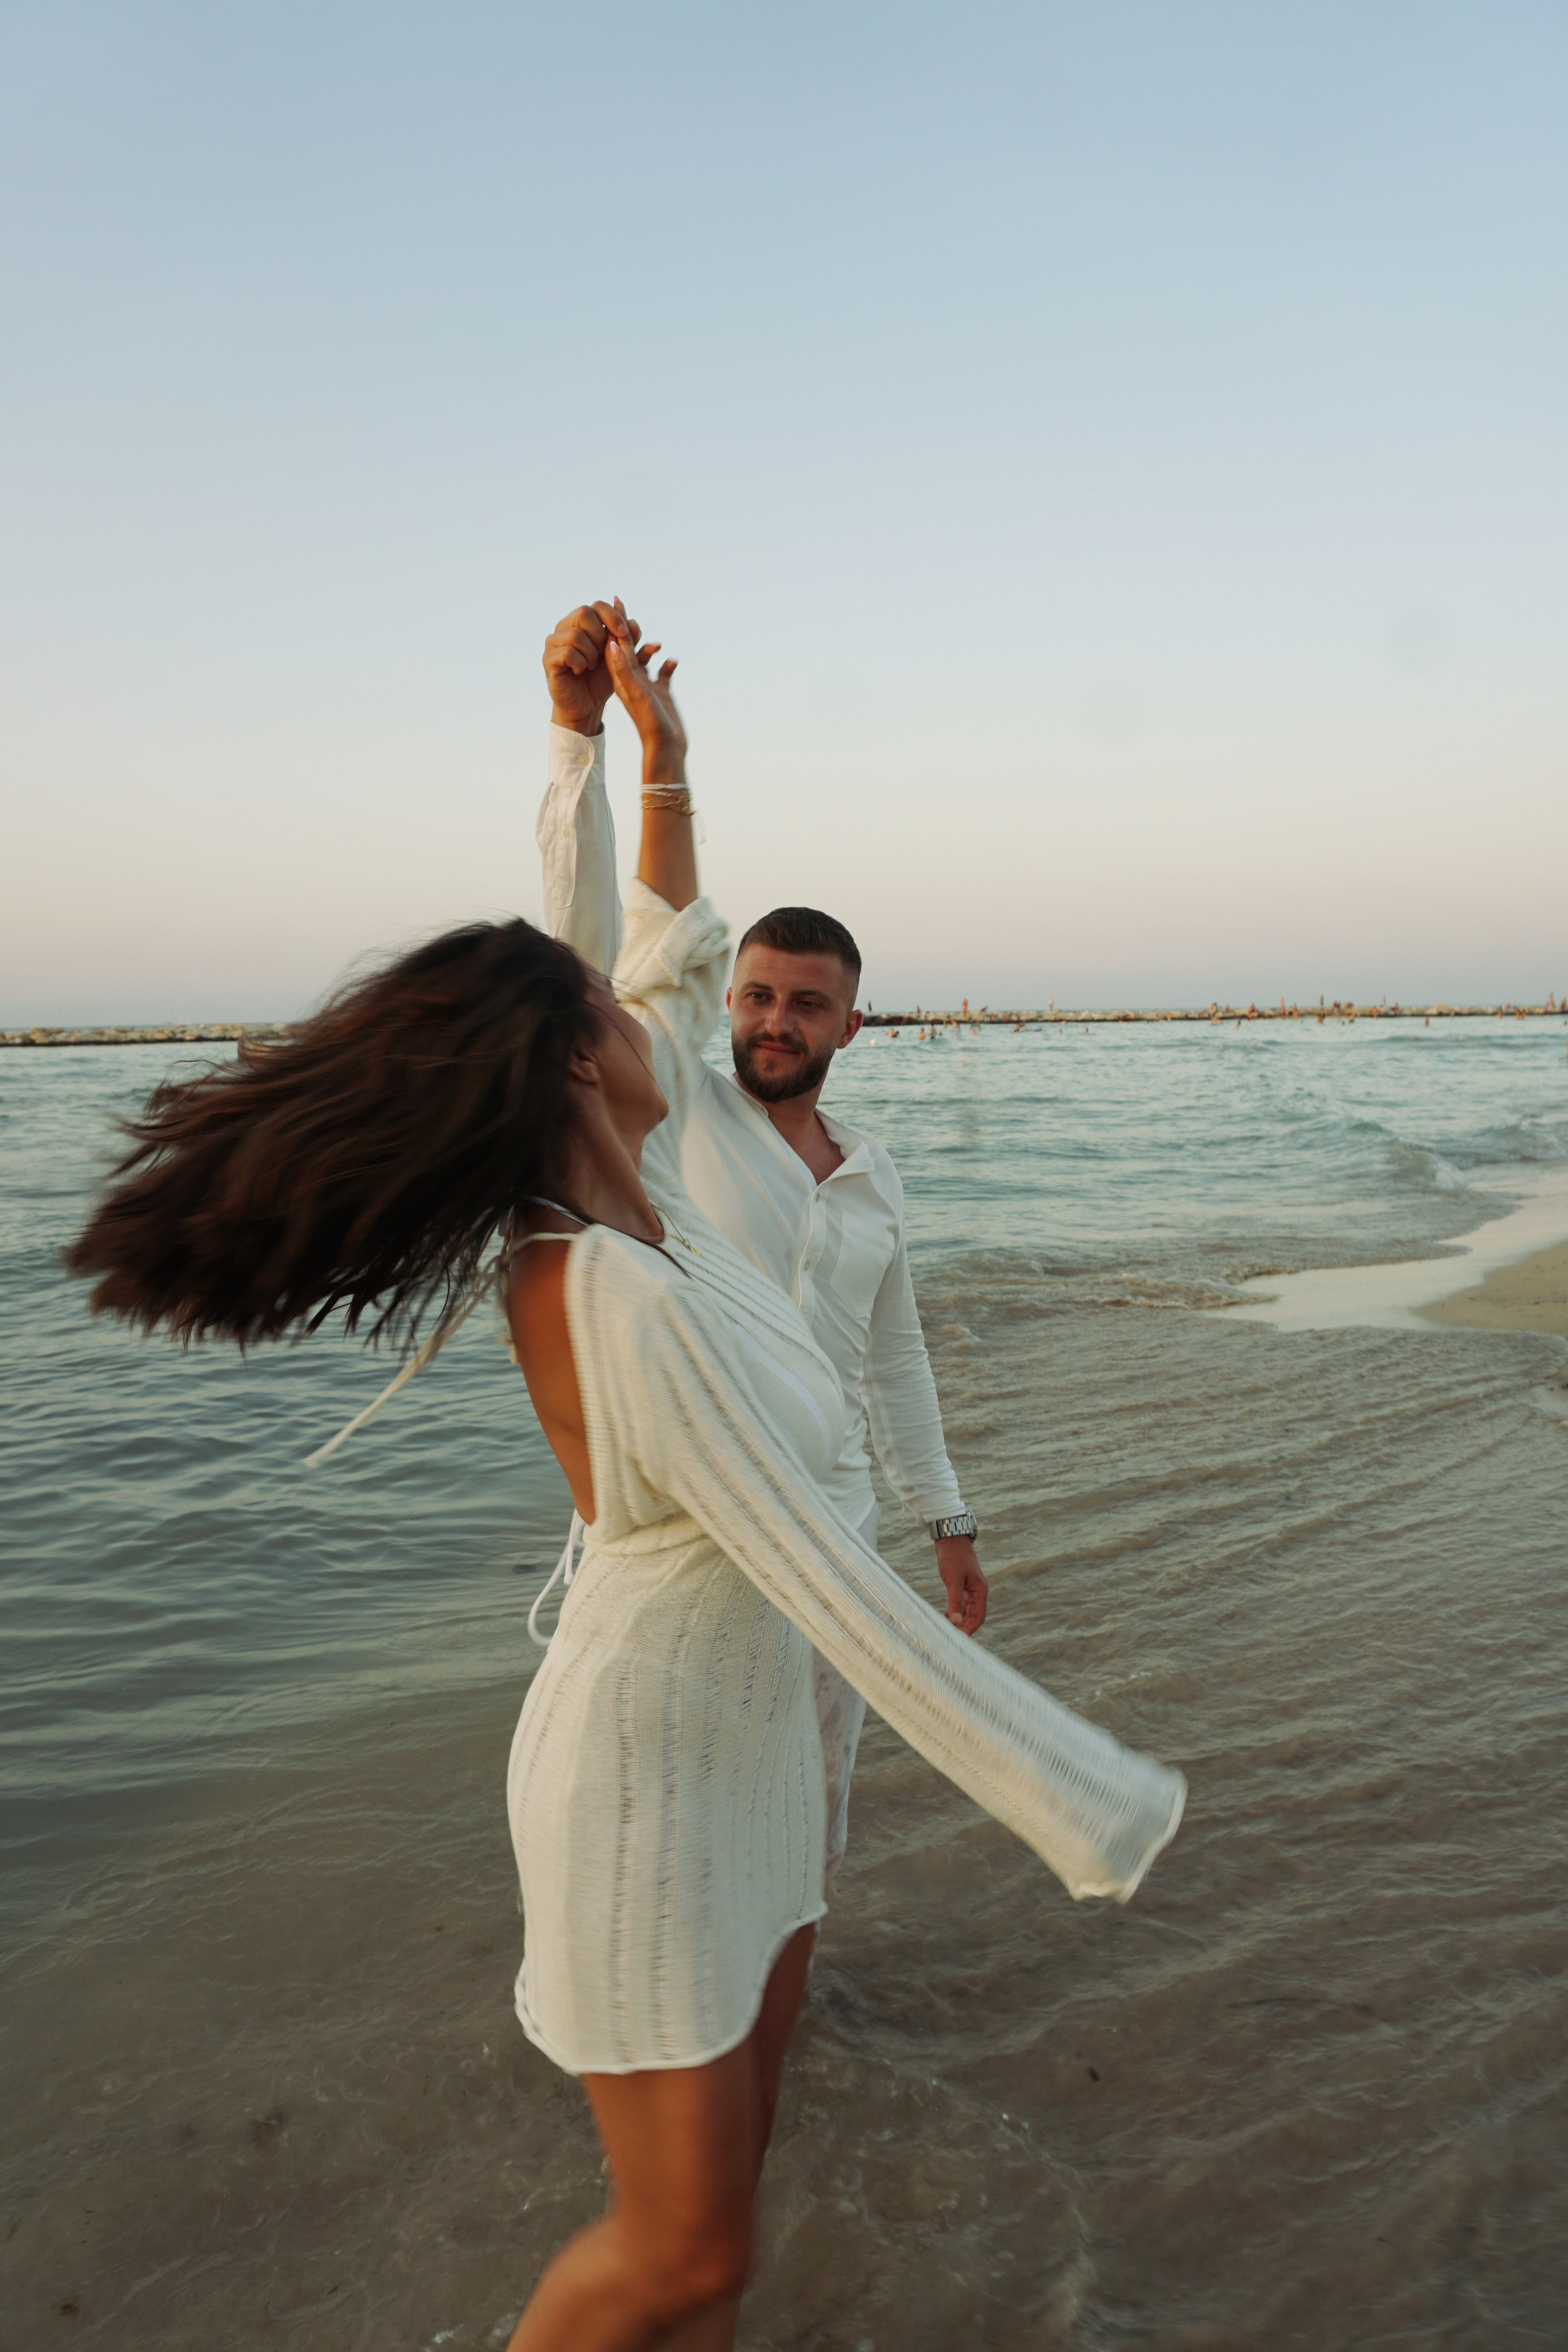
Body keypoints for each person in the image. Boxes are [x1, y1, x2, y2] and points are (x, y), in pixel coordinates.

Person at [66, 610, 1184, 2352]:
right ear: (592, 1056)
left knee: (717, 2222)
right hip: (652, 1774)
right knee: (681, 2261)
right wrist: (1087, 1794)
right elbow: (822, 1578)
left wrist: (634, 740)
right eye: (640, 994)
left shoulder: (667, 1223)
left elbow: (632, 966)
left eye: (784, 992)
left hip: (743, 1742)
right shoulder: (607, 1281)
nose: (687, 991)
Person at [537, 600, 986, 1887]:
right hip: (695, 1543)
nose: (773, 1021)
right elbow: (612, 947)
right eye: (753, 995)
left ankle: (790, 2043)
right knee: (656, 1836)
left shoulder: (873, 1179)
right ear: (722, 1001)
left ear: (852, 1025)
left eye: (805, 1004)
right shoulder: (668, 1123)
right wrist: (608, 747)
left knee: (804, 1817)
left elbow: (891, 1364)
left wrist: (944, 1519)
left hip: (837, 1545)